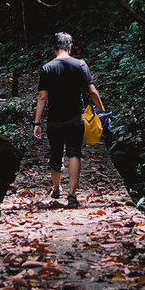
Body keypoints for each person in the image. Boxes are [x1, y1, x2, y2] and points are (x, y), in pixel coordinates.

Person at [32, 32, 106, 208]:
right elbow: (92, 92)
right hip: (75, 118)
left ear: (54, 48)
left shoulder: (47, 68)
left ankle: (57, 188)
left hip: (54, 120)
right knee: (74, 153)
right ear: (70, 46)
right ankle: (72, 195)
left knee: (56, 152)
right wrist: (102, 111)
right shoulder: (80, 64)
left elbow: (42, 97)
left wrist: (37, 122)